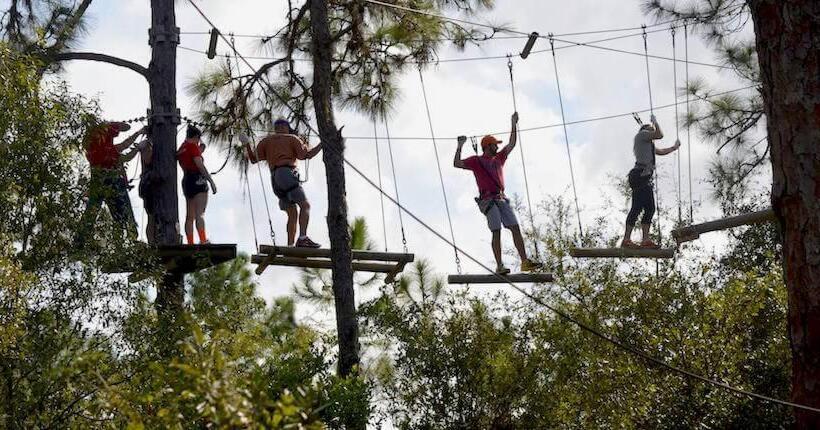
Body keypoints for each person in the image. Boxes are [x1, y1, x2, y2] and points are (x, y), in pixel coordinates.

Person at [454, 112, 542, 275]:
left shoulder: (499, 158)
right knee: (496, 231)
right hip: (488, 200)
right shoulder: (477, 161)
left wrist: (513, 123)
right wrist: (460, 146)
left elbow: (512, 143)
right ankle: (499, 265)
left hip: (501, 198)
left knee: (515, 228)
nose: (498, 147)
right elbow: (457, 163)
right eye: (495, 145)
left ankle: (525, 262)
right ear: (488, 146)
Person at [240, 118, 323, 248]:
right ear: (286, 127)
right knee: (305, 206)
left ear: (276, 128)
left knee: (292, 212)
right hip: (286, 174)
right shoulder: (291, 138)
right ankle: (302, 238)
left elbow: (252, 159)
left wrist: (246, 144)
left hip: (275, 179)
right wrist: (322, 143)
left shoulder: (266, 141)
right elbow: (306, 155)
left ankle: (290, 245)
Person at [76, 119, 146, 246]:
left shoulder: (92, 148)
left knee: (93, 212)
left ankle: (80, 240)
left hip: (97, 183)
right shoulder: (105, 146)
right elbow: (124, 151)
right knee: (124, 211)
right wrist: (138, 145)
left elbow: (122, 146)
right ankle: (131, 239)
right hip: (113, 182)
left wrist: (138, 133)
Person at [621, 114, 680, 248]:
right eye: (650, 130)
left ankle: (645, 240)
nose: (651, 133)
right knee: (637, 208)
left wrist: (674, 147)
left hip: (644, 177)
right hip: (639, 175)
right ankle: (626, 240)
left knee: (650, 208)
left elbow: (662, 151)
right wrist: (655, 122)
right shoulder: (641, 135)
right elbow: (659, 134)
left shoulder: (648, 145)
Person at [176, 125, 217, 245]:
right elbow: (199, 165)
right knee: (200, 213)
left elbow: (190, 155)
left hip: (187, 179)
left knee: (190, 216)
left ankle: (190, 242)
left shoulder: (182, 148)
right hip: (198, 179)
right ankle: (203, 240)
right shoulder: (193, 147)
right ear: (196, 137)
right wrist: (211, 181)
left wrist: (199, 149)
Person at [135, 134, 155, 244]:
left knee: (152, 217)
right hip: (148, 186)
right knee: (151, 217)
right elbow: (147, 159)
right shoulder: (146, 145)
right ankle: (151, 241)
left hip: (148, 185)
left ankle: (152, 240)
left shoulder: (147, 145)